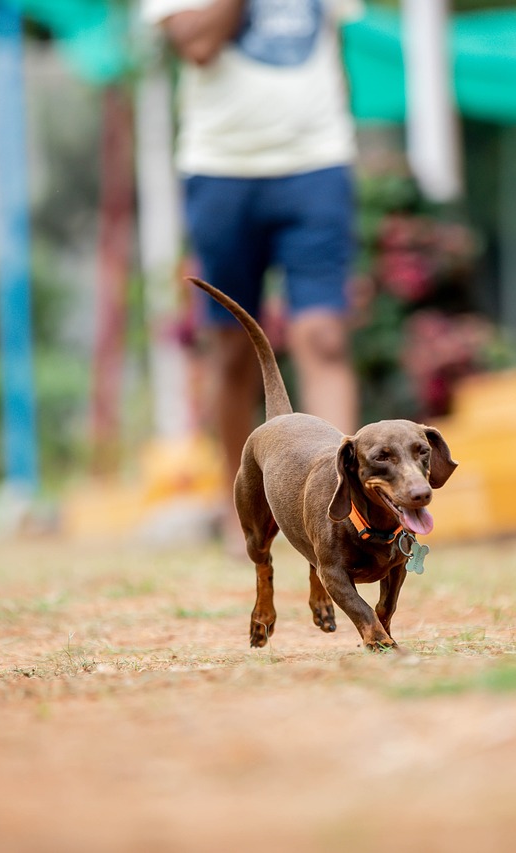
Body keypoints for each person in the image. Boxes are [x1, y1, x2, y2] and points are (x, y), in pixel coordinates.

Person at [143, 0, 362, 548]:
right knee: (233, 348)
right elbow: (195, 43)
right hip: (221, 168)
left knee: (325, 338)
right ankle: (239, 505)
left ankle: (337, 510)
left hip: (317, 161)